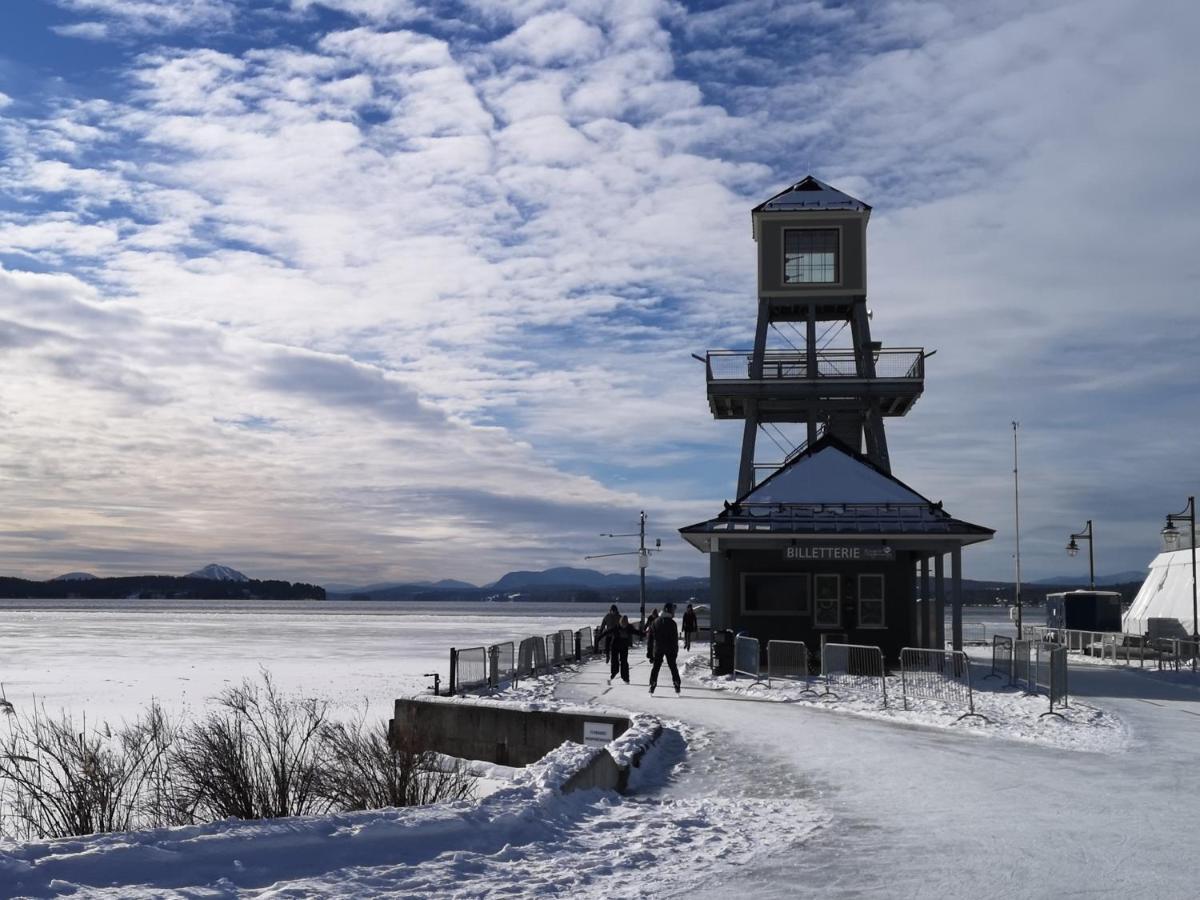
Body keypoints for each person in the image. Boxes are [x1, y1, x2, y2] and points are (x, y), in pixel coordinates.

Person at [649, 602, 681, 695]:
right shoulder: (672, 623)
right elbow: (675, 639)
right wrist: (675, 651)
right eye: (673, 610)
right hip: (670, 649)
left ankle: (652, 685)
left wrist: (650, 652)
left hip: (658, 648)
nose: (674, 612)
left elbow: (650, 638)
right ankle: (677, 685)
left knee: (656, 667)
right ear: (669, 611)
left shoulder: (655, 622)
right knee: (673, 667)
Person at [608, 615, 636, 684]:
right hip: (615, 646)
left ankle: (626, 678)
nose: (623, 625)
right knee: (614, 662)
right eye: (622, 623)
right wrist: (599, 637)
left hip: (624, 647)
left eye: (625, 624)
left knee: (624, 662)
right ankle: (613, 674)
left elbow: (636, 632)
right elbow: (607, 632)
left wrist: (644, 634)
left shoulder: (629, 627)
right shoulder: (616, 627)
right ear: (620, 622)